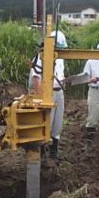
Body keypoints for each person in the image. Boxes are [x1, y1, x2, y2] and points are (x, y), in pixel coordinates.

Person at [29, 31, 67, 159]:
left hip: (59, 92)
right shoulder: (41, 57)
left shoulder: (60, 57)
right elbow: (36, 78)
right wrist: (41, 98)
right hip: (47, 94)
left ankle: (54, 151)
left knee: (57, 123)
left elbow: (61, 74)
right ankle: (43, 152)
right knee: (46, 123)